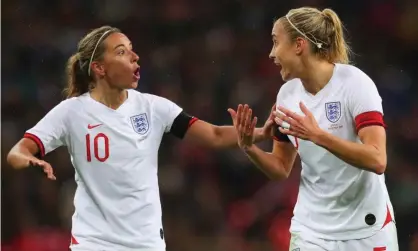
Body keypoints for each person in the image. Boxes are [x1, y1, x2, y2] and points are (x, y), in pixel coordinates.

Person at [6, 26, 275, 251]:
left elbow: (214, 134)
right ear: (99, 68)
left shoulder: (154, 107)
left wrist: (260, 133)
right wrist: (31, 161)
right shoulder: (71, 111)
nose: (135, 57)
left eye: (132, 49)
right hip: (93, 242)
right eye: (122, 52)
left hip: (146, 243)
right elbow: (17, 152)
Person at [233, 7, 399, 251]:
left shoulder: (355, 84)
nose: (271, 53)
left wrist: (319, 136)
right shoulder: (286, 95)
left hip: (366, 228)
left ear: (299, 45)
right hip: (311, 230)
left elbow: (377, 159)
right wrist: (249, 147)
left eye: (276, 42)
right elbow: (280, 168)